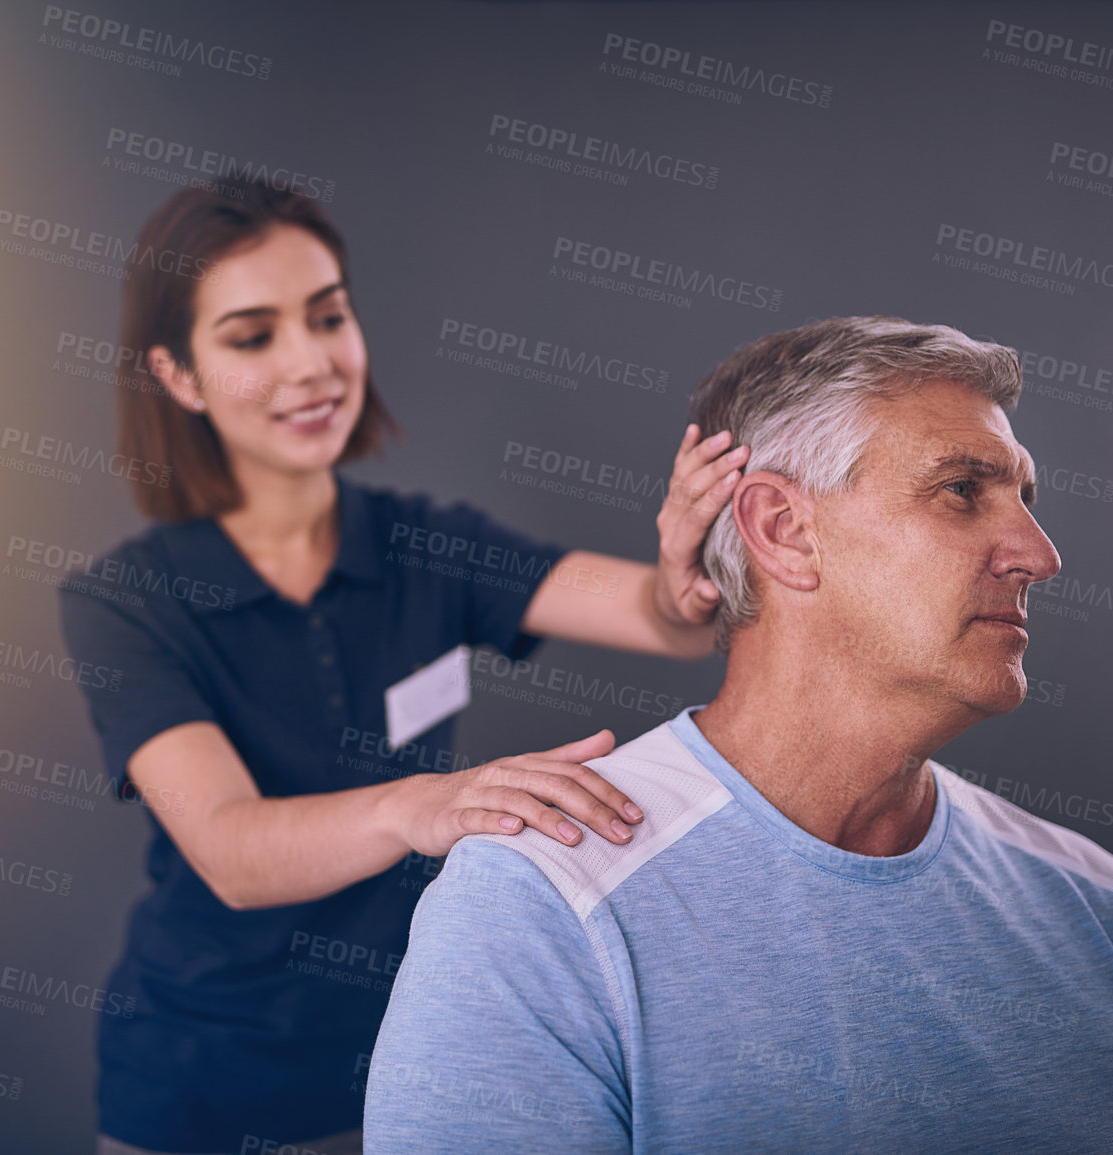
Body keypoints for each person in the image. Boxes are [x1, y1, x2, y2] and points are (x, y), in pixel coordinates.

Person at [364, 317, 1113, 1153]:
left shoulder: (1098, 908)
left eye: (1024, 499)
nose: (1038, 552)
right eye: (961, 491)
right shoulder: (542, 904)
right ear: (782, 529)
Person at [56, 178, 747, 1155]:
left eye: (327, 317)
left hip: (407, 1058)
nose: (311, 365)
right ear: (177, 375)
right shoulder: (126, 602)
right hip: (198, 1083)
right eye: (253, 338)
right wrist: (421, 805)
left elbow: (659, 617)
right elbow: (234, 853)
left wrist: (685, 577)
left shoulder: (425, 544)